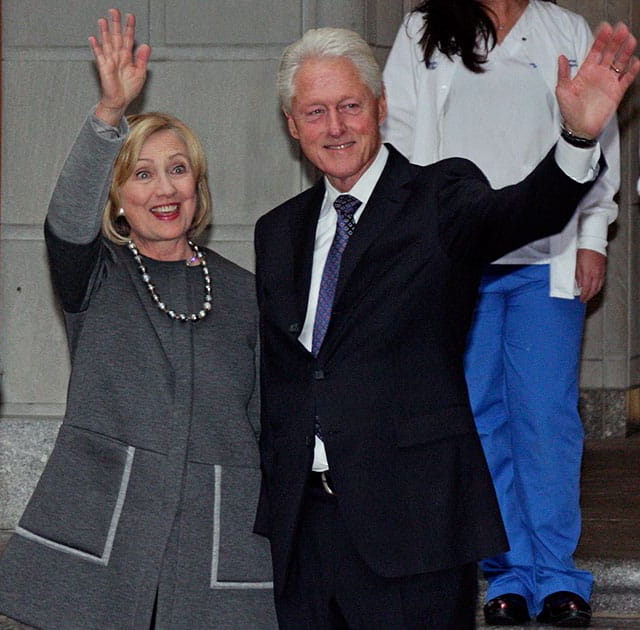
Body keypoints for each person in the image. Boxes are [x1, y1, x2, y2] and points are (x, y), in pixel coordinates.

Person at [253, 23, 637, 629]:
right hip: (306, 535)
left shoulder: (439, 196)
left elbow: (520, 212)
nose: (336, 126)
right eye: (315, 112)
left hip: (414, 528)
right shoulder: (276, 232)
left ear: (380, 108)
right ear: (293, 125)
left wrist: (577, 138)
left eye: (350, 106)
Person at [0, 9, 276, 629]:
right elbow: (64, 221)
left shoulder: (246, 292)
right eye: (141, 174)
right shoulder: (96, 275)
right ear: (116, 197)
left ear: (197, 184)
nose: (164, 189)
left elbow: (266, 423)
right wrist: (110, 113)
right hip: (101, 546)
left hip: (214, 554)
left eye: (177, 169)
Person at [381, 1, 619, 625]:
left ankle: (559, 575)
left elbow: (598, 131)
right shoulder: (421, 28)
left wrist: (593, 236)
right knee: (479, 417)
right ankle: (507, 572)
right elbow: (398, 135)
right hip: (455, 261)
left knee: (546, 419)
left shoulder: (564, 29)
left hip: (548, 258)